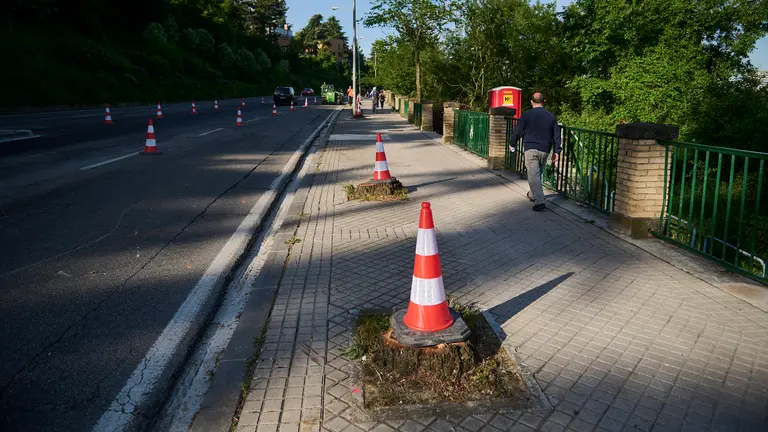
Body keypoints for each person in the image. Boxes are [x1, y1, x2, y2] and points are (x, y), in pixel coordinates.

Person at [508, 92, 562, 211]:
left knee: (533, 174)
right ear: (544, 101)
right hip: (545, 149)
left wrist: (512, 143)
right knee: (536, 174)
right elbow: (556, 135)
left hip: (530, 148)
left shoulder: (527, 114)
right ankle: (532, 195)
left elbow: (518, 131)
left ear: (531, 102)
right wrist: (557, 151)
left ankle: (540, 201)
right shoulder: (551, 116)